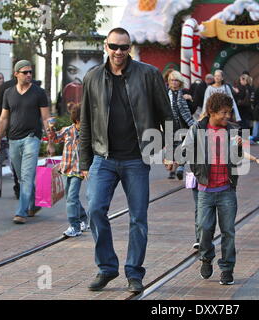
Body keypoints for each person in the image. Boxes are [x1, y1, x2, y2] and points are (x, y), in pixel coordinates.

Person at [79, 27, 174, 294]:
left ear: (130, 48)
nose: (119, 52)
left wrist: (170, 151)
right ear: (106, 47)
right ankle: (107, 268)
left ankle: (134, 272)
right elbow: (85, 122)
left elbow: (167, 116)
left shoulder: (148, 74)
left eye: (124, 47)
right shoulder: (93, 77)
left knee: (138, 218)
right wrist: (85, 162)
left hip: (136, 158)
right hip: (103, 157)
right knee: (95, 210)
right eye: (114, 46)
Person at [181, 92, 259, 286]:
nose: (227, 116)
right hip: (205, 190)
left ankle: (227, 269)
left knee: (228, 231)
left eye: (229, 112)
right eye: (223, 112)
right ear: (211, 111)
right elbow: (185, 150)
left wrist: (237, 148)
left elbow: (236, 160)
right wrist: (176, 159)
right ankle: (206, 257)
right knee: (204, 229)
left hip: (226, 189)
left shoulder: (233, 130)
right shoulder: (197, 129)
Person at [0, 60, 53, 224]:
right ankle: (32, 204)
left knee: (26, 176)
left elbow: (46, 118)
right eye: (25, 72)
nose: (29, 75)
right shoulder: (8, 93)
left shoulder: (39, 93)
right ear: (16, 74)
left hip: (32, 138)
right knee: (21, 177)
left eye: (30, 72)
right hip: (13, 139)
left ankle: (21, 212)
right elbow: (3, 118)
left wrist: (51, 142)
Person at [47, 103, 89, 237]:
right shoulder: (68, 130)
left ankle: (74, 226)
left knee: (72, 198)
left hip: (78, 170)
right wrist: (51, 128)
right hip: (65, 169)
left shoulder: (87, 134)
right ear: (77, 120)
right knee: (71, 198)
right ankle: (84, 218)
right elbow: (55, 139)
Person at [167, 70, 196, 180]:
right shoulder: (166, 93)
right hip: (170, 124)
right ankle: (173, 169)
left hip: (183, 125)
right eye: (172, 80)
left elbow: (192, 110)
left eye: (176, 80)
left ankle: (180, 167)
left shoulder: (184, 93)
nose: (174, 82)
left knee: (182, 147)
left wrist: (190, 100)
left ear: (180, 82)